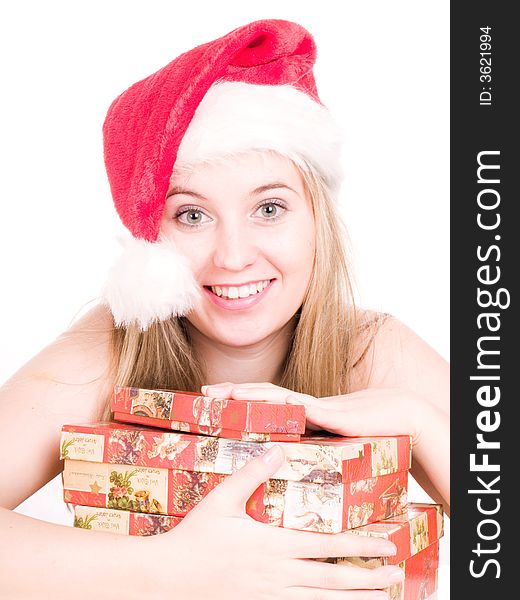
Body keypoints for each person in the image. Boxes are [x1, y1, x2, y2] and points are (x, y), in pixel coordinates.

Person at [0, 19, 449, 599]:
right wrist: (170, 569)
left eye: (269, 209)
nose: (233, 257)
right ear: (150, 242)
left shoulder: (370, 351)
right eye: (191, 215)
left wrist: (424, 422)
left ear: (318, 221)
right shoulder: (108, 351)